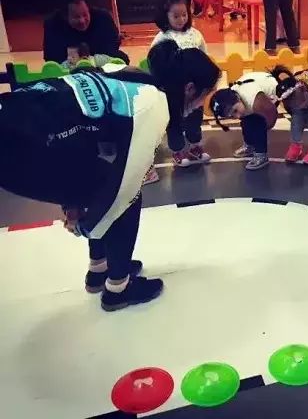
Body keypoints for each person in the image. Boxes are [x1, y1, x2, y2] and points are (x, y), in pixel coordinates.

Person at [0, 40, 221, 311]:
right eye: (205, 96)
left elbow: (82, 138)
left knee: (99, 183)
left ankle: (100, 269)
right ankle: (119, 288)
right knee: (128, 198)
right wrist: (88, 225)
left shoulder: (125, 74)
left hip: (19, 120)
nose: (201, 106)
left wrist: (74, 202)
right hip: (19, 146)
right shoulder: (152, 106)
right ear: (190, 89)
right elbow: (123, 191)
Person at [150, 0, 210, 171]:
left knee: (194, 119)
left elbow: (204, 56)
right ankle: (177, 151)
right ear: (166, 15)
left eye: (184, 14)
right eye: (176, 16)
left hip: (194, 89)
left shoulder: (196, 34)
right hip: (173, 90)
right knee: (174, 121)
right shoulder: (162, 38)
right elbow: (154, 61)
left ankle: (194, 147)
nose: (181, 19)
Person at [210, 71, 280, 170]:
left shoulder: (254, 101)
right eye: (232, 116)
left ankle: (261, 154)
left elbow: (272, 113)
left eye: (235, 111)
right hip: (254, 87)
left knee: (257, 125)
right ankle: (249, 145)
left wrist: (264, 129)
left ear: (238, 98)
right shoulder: (234, 99)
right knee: (245, 121)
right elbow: (241, 114)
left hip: (269, 90)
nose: (237, 116)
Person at [43, 0, 129, 64]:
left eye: (85, 15)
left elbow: (112, 47)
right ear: (65, 17)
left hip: (99, 63)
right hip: (70, 66)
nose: (82, 21)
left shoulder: (103, 18)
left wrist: (93, 60)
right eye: (76, 17)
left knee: (122, 58)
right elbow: (51, 58)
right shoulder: (53, 24)